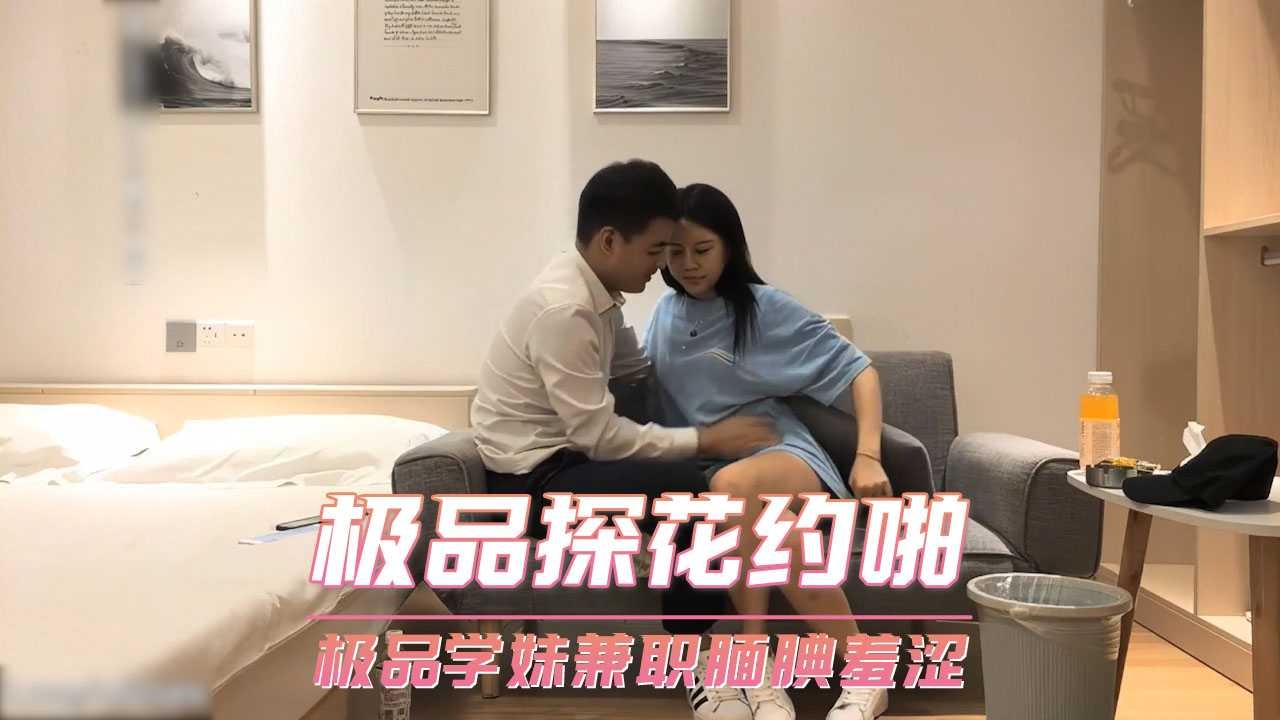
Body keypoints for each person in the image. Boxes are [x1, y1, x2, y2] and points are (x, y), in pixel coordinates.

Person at [472, 160, 778, 720]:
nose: (663, 266)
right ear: (610, 241)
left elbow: (638, 372)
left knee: (700, 479)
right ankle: (696, 659)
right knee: (688, 491)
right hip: (531, 482)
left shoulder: (599, 296)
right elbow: (600, 436)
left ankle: (705, 643)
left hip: (569, 460)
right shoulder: (565, 310)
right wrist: (706, 438)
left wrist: (724, 378)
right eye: (657, 249)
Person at [644, 183, 895, 720]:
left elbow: (860, 370)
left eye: (703, 249)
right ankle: (861, 670)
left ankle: (755, 660)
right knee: (761, 520)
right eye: (674, 252)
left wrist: (868, 456)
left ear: (730, 246)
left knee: (732, 487)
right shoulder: (664, 313)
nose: (688, 264)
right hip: (715, 471)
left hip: (782, 455)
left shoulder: (764, 307)